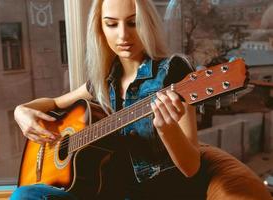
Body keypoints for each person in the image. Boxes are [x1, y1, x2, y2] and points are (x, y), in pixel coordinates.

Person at [11, 0, 208, 199]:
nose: (123, 35)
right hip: (103, 191)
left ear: (148, 23)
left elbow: (192, 167)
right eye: (112, 24)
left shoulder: (172, 72)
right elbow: (54, 103)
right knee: (25, 194)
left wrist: (168, 130)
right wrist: (21, 111)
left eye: (133, 22)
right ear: (100, 29)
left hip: (154, 193)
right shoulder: (104, 80)